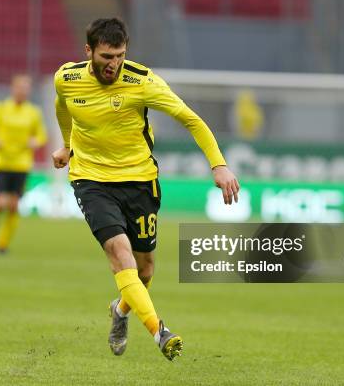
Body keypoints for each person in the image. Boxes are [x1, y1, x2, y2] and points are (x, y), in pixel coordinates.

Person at [52, 18, 240, 360]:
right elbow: (62, 108)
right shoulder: (67, 78)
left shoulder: (142, 82)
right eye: (107, 56)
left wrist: (219, 164)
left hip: (139, 180)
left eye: (120, 55)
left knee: (145, 269)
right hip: (91, 179)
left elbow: (190, 119)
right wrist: (67, 146)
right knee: (118, 251)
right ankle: (160, 332)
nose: (114, 64)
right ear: (88, 51)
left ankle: (121, 311)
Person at [0, 74, 47, 254]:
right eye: (19, 87)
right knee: (2, 203)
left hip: (22, 164)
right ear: (12, 88)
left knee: (14, 206)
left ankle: (2, 245)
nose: (22, 91)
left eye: (26, 88)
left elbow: (41, 135)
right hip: (2, 162)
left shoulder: (34, 113)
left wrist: (36, 141)